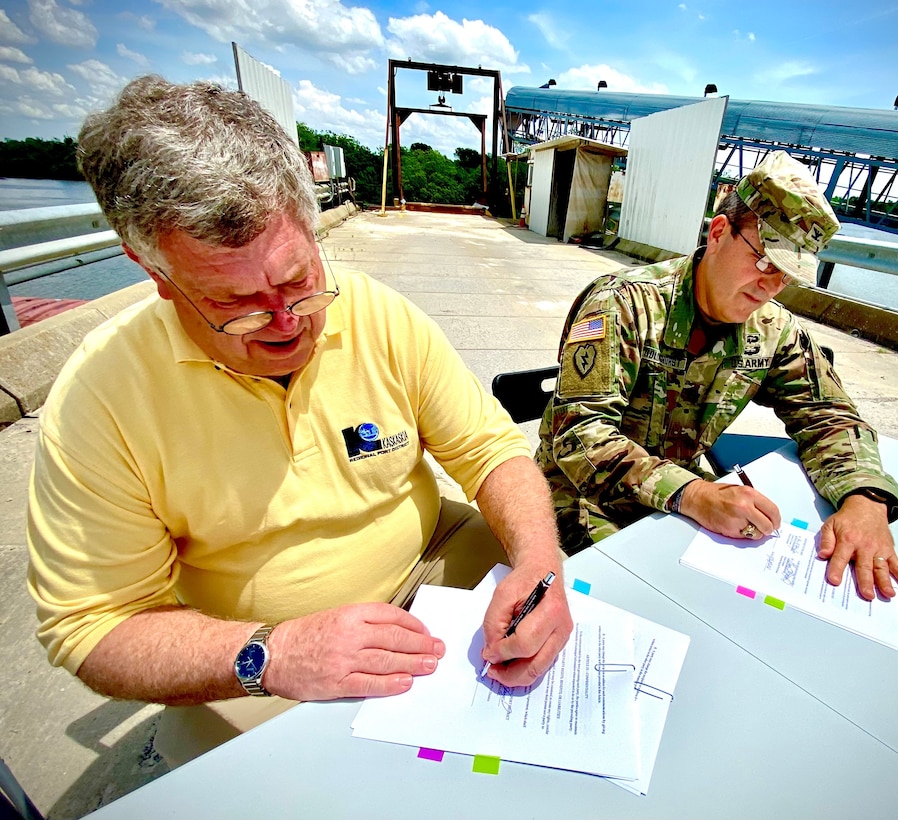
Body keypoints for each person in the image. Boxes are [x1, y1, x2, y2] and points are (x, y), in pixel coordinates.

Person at [25, 75, 572, 767]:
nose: (286, 324)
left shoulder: (377, 312)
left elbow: (489, 449)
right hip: (252, 641)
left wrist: (539, 564)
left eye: (298, 281)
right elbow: (91, 625)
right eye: (236, 302)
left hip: (431, 562)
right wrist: (272, 652)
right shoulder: (102, 397)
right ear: (152, 271)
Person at [536, 150, 898, 602]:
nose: (770, 286)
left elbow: (828, 415)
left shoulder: (772, 330)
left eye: (787, 275)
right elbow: (579, 434)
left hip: (679, 496)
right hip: (582, 497)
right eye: (763, 261)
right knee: (646, 605)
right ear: (719, 232)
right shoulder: (623, 304)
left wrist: (864, 499)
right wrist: (695, 494)